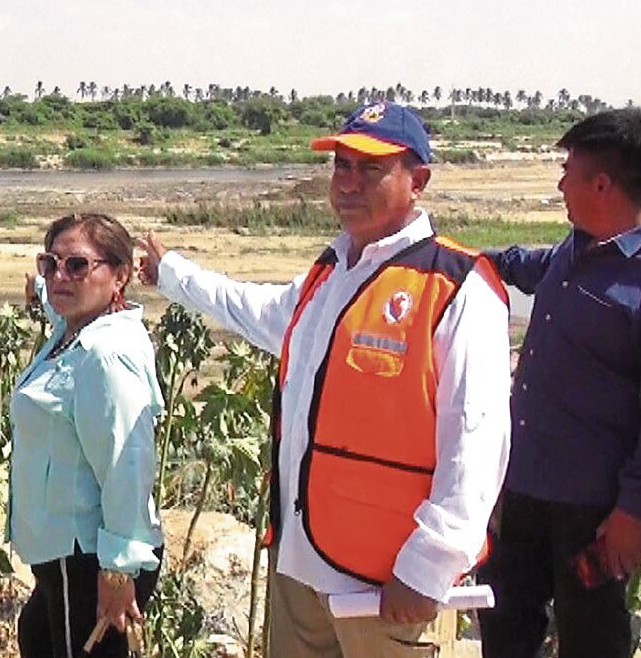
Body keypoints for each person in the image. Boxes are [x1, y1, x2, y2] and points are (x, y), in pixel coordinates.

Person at [139, 101, 512, 656]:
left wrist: (429, 565)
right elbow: (251, 309)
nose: (349, 183)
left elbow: (477, 442)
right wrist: (172, 274)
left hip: (388, 586)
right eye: (342, 166)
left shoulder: (457, 288)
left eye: (370, 169)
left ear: (419, 181)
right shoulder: (328, 273)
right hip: (302, 569)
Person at [477, 108, 641, 658]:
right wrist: (461, 259)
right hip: (526, 480)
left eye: (567, 171)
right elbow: (529, 267)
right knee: (506, 623)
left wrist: (634, 512)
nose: (559, 184)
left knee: (591, 637)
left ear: (601, 184)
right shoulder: (579, 246)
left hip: (595, 507)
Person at [12, 213, 165, 658]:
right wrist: (42, 290)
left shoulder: (105, 354)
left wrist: (117, 571)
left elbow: (126, 465)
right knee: (38, 635)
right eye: (50, 263)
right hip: (64, 554)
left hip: (86, 557)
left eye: (77, 266)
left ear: (119, 275)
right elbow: (55, 297)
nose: (60, 276)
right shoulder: (75, 327)